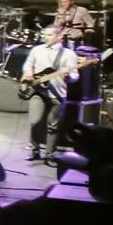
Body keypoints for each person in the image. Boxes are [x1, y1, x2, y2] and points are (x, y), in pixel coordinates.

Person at [21, 26, 79, 161]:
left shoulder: (69, 54)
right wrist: (28, 73)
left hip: (58, 94)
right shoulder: (37, 50)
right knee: (34, 121)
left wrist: (69, 76)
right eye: (45, 35)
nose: (45, 37)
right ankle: (34, 150)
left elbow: (75, 76)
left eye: (49, 35)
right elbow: (28, 65)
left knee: (53, 126)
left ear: (60, 37)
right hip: (38, 91)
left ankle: (50, 155)